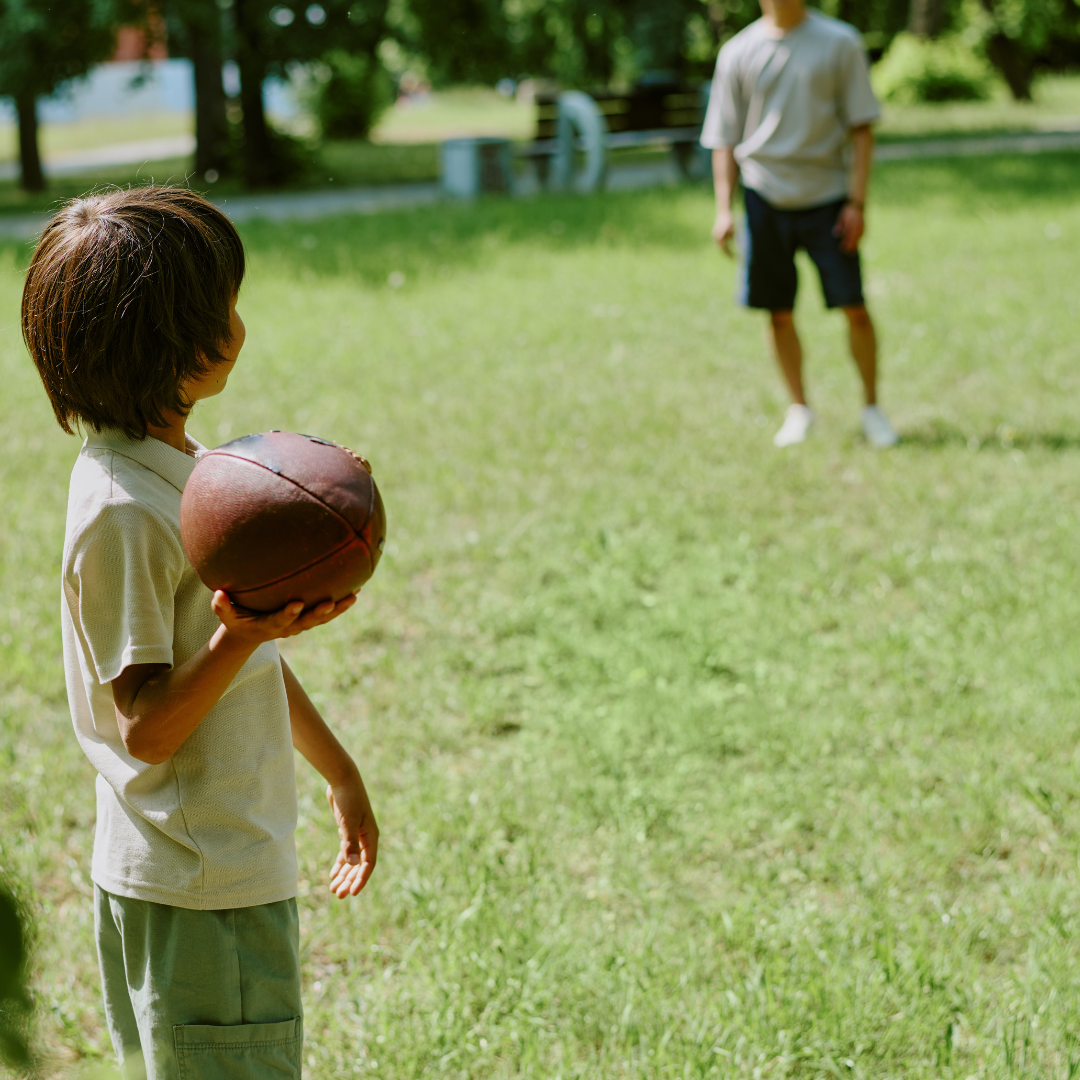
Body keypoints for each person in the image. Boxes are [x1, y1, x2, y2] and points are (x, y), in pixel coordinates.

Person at [23, 187, 378, 1080]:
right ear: (175, 343)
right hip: (200, 884)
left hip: (202, 868)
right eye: (225, 305)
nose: (239, 321)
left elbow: (232, 663)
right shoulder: (124, 511)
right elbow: (147, 729)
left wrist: (338, 770)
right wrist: (241, 633)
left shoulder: (175, 465)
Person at [702, 0, 899, 448]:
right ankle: (800, 409)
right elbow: (724, 139)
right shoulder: (737, 51)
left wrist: (857, 202)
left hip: (828, 200)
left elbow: (862, 128)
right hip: (763, 200)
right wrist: (723, 209)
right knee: (778, 312)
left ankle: (872, 408)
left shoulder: (839, 43)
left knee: (854, 307)